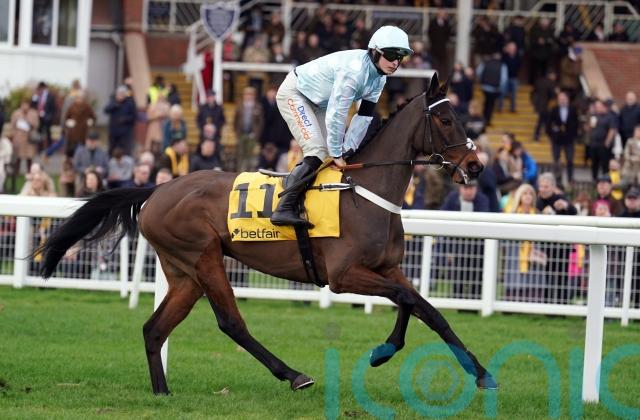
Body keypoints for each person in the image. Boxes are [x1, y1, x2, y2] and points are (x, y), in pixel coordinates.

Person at [270, 26, 413, 227]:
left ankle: (307, 205)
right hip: (295, 94)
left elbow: (363, 117)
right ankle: (283, 208)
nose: (395, 62)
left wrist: (347, 150)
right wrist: (338, 153)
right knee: (318, 151)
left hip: (319, 104)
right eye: (390, 55)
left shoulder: (379, 79)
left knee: (328, 155)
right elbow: (337, 114)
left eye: (400, 57)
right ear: (374, 52)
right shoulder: (354, 71)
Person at [503, 184, 545, 302]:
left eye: (530, 194)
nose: (528, 196)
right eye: (525, 193)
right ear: (519, 196)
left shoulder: (538, 214)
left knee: (534, 278)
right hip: (515, 252)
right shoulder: (512, 214)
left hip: (533, 253)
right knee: (514, 277)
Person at [547, 91, 579, 184]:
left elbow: (576, 124)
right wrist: (552, 135)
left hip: (569, 139)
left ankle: (570, 178)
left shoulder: (573, 110)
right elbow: (549, 124)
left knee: (570, 159)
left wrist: (574, 135)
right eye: (560, 99)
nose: (562, 101)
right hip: (557, 139)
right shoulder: (554, 109)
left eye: (564, 99)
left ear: (567, 99)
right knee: (556, 160)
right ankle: (557, 180)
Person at [10, 99, 39, 178]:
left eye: (26, 104)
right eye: (23, 104)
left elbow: (36, 124)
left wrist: (29, 123)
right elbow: (12, 125)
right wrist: (13, 135)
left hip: (29, 139)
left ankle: (30, 173)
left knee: (29, 158)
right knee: (18, 157)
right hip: (19, 138)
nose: (25, 107)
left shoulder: (33, 113)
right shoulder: (16, 113)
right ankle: (16, 173)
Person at [104, 85, 137, 156]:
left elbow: (134, 117)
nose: (120, 96)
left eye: (122, 94)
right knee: (111, 149)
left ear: (125, 95)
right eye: (119, 94)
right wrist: (115, 105)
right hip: (114, 131)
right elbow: (106, 110)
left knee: (125, 150)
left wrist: (125, 119)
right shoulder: (113, 101)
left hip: (125, 132)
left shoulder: (130, 102)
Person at [62, 90, 96, 157]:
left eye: (81, 98)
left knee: (83, 147)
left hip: (83, 130)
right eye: (78, 97)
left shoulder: (87, 107)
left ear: (83, 98)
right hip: (73, 131)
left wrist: (90, 121)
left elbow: (93, 117)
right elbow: (66, 117)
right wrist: (68, 122)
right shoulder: (72, 107)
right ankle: (71, 159)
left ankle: (81, 159)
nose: (79, 99)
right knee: (72, 148)